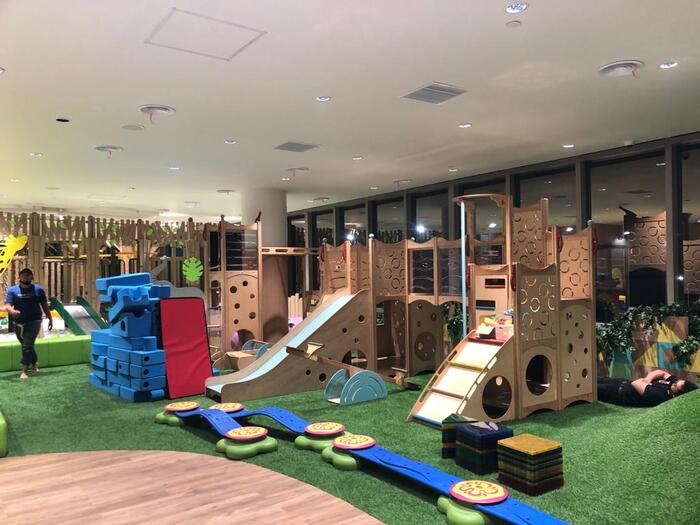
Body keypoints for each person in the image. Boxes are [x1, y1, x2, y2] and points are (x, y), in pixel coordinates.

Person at [4, 268, 52, 379]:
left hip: (35, 321)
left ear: (32, 277)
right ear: (19, 277)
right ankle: (34, 362)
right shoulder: (12, 290)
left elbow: (44, 305)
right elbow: (7, 305)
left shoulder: (38, 290)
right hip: (19, 322)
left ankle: (24, 371)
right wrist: (12, 311)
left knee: (26, 345)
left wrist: (50, 318)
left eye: (28, 275)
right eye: (23, 275)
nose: (25, 276)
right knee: (26, 344)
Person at [598, 369, 698, 407]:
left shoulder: (660, 396)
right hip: (622, 382)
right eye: (676, 382)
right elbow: (661, 372)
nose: (673, 383)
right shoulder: (673, 383)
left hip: (618, 393)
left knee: (593, 390)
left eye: (675, 386)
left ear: (676, 395)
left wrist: (643, 381)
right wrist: (648, 379)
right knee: (594, 380)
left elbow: (636, 383)